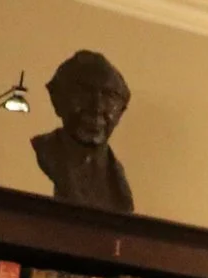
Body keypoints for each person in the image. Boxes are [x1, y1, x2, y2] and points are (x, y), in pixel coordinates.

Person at [30, 50, 134, 212]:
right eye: (84, 92)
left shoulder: (116, 175)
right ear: (57, 99)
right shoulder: (47, 151)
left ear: (121, 111)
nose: (97, 107)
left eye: (109, 96)